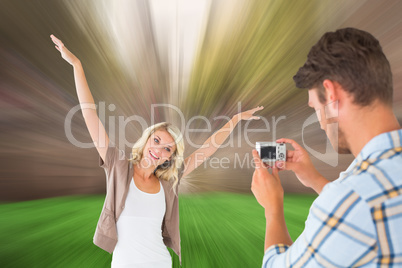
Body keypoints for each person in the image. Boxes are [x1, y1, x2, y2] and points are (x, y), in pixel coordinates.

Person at [50, 34, 263, 267]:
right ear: (147, 139)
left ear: (170, 156)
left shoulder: (168, 182)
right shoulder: (118, 166)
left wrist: (234, 120)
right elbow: (90, 114)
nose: (159, 149)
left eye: (167, 148)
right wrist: (77, 65)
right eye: (157, 140)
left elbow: (207, 149)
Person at [251, 27, 402, 267]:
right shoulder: (370, 186)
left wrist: (273, 207)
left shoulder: (351, 200)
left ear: (331, 93)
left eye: (315, 108)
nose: (321, 124)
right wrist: (314, 180)